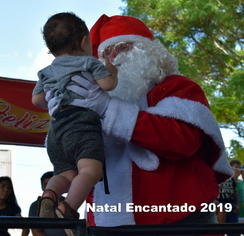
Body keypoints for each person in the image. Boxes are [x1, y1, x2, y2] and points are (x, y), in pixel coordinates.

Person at [52, 14, 233, 231]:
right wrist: (64, 119)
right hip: (107, 225)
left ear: (147, 50)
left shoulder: (178, 87)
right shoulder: (92, 101)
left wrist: (110, 109)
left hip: (181, 223)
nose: (112, 58)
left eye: (120, 47)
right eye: (105, 53)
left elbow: (181, 140)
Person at [31, 12, 118, 231]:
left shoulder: (45, 72)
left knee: (65, 174)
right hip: (81, 124)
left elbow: (37, 100)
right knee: (90, 171)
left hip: (56, 128)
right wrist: (112, 72)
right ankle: (68, 208)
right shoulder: (89, 62)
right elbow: (107, 85)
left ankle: (50, 194)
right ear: (83, 41)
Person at [28, 171, 66, 236]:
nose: (49, 187)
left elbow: (75, 228)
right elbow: (36, 232)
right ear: (42, 187)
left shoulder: (67, 202)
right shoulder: (35, 205)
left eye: (51, 184)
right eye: (46, 184)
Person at [216, 172, 239, 236]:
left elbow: (234, 191)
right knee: (219, 231)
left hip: (231, 205)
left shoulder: (230, 175)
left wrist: (237, 205)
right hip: (218, 204)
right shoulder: (213, 173)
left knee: (234, 231)